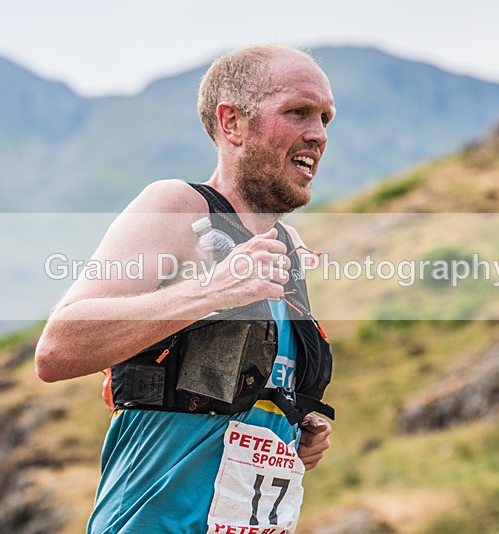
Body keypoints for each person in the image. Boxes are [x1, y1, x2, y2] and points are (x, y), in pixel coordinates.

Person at [35, 44, 336, 533]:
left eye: (325, 118)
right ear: (232, 123)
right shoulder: (178, 208)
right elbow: (57, 350)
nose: (318, 134)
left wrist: (289, 426)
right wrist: (211, 291)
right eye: (297, 112)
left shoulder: (286, 249)